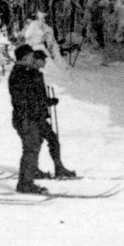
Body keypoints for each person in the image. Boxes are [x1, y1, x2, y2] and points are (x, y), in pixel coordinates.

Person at [8, 44, 50, 194]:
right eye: (32, 56)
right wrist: (28, 117)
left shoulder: (27, 72)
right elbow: (22, 100)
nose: (34, 59)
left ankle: (28, 179)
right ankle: (25, 183)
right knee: (30, 148)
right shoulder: (19, 74)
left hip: (30, 117)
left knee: (33, 147)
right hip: (24, 118)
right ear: (25, 57)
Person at [33, 49, 77, 178]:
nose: (45, 62)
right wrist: (48, 102)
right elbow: (35, 98)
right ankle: (56, 168)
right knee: (47, 141)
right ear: (36, 60)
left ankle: (49, 168)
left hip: (39, 115)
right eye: (43, 60)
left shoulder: (37, 75)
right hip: (35, 116)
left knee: (43, 142)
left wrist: (48, 102)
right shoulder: (33, 75)